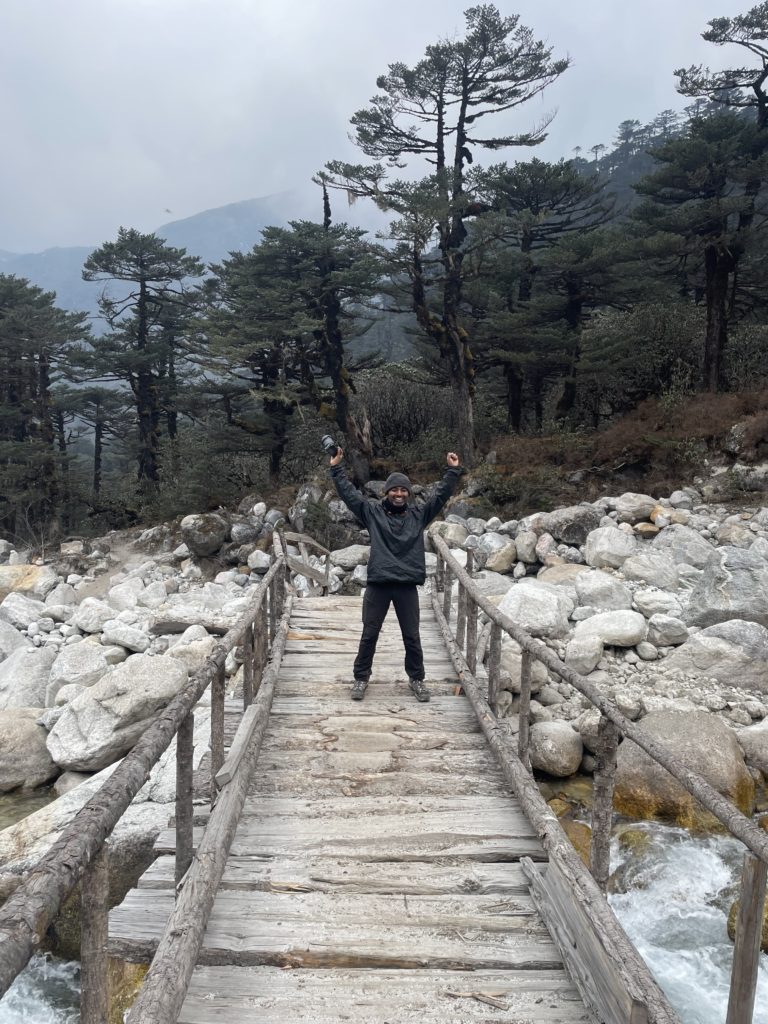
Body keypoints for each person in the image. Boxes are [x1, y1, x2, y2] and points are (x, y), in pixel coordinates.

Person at [329, 448, 462, 702]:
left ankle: (417, 680)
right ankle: (360, 678)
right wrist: (336, 467)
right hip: (379, 584)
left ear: (408, 494)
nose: (399, 494)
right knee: (369, 634)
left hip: (406, 586)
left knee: (411, 635)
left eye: (403, 490)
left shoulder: (418, 515)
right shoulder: (372, 513)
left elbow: (440, 496)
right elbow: (349, 494)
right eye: (394, 490)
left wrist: (453, 471)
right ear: (386, 492)